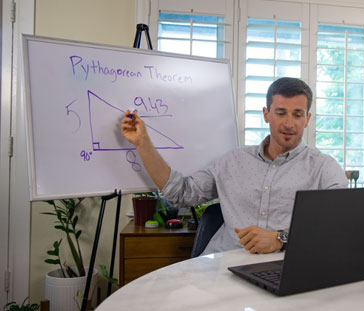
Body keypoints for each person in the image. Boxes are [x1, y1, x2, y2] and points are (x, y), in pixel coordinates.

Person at [121, 77, 347, 255]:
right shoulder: (232, 160)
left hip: (283, 269)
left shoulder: (324, 168)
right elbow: (180, 193)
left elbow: (339, 225)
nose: (289, 123)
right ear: (266, 114)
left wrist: (281, 238)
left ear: (307, 119)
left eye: (297, 115)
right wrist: (142, 143)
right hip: (220, 268)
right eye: (280, 113)